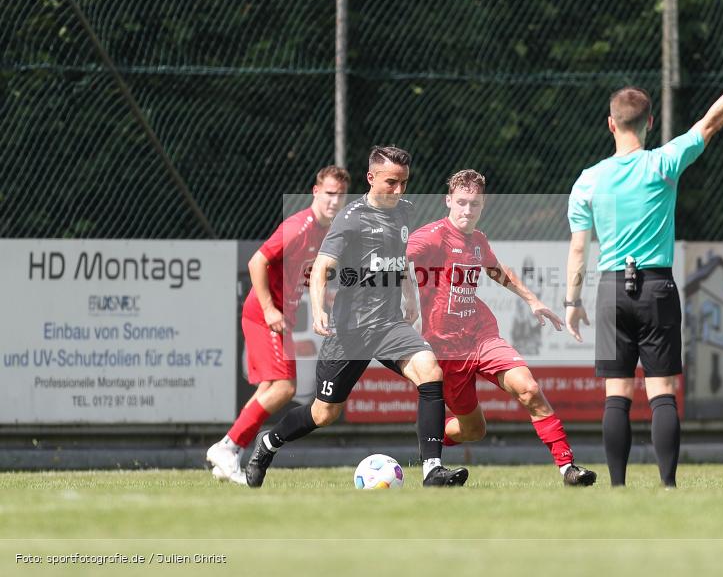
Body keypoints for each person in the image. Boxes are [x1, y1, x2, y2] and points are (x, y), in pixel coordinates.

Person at [565, 41, 723, 487]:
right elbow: (712, 121)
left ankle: (619, 487)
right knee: (661, 392)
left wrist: (571, 300)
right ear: (649, 121)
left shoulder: (587, 180)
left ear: (610, 124)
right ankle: (667, 485)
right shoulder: (662, 163)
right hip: (656, 288)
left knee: (616, 396)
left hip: (608, 291)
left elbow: (578, 249)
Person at [244, 145, 468, 488]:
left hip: (390, 324)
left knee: (430, 371)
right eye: (391, 182)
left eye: (404, 182)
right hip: (350, 332)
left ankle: (432, 471)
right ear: (370, 178)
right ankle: (268, 444)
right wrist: (319, 310)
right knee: (324, 413)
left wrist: (410, 297)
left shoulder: (403, 211)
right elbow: (321, 267)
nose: (398, 190)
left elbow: (401, 259)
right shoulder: (350, 219)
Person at [407, 169, 597, 486]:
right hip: (446, 350)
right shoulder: (432, 236)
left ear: (484, 205)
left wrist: (532, 300)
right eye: (462, 203)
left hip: (482, 337)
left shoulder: (478, 240)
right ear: (448, 201)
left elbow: (497, 271)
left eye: (475, 204)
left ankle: (568, 468)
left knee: (529, 389)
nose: (468, 210)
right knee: (474, 430)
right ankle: (432, 440)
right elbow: (394, 258)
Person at [206, 165, 350, 484]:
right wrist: (270, 309)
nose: (334, 201)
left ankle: (231, 455)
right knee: (285, 388)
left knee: (268, 389)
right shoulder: (299, 226)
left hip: (279, 315)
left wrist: (320, 304)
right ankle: (227, 447)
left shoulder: (327, 234)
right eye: (328, 193)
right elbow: (257, 260)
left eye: (339, 196)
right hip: (264, 313)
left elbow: (313, 276)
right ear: (315, 192)